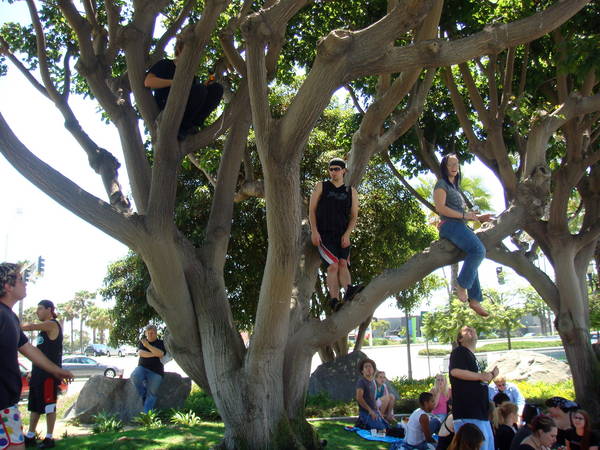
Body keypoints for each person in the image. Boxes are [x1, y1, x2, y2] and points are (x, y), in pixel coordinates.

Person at [0, 263, 73, 450]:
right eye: (20, 279)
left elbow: (28, 348)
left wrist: (57, 371)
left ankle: (45, 437)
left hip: (8, 404)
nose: (25, 283)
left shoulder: (11, 317)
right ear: (8, 286)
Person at [433, 154, 494, 317]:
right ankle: (461, 285)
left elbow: (463, 214)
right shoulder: (441, 184)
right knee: (478, 251)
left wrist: (479, 218)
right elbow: (441, 208)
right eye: (450, 164)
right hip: (449, 226)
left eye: (456, 164)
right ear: (444, 167)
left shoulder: (455, 187)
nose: (454, 167)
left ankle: (474, 299)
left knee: (472, 259)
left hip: (460, 225)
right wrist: (464, 216)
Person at [144, 36, 224, 140]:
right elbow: (148, 82)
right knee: (200, 89)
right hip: (168, 106)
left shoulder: (191, 75)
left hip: (187, 111)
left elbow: (196, 94)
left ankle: (193, 125)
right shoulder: (166, 64)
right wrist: (175, 82)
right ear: (179, 49)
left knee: (217, 89)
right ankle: (183, 127)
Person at [309, 158, 361, 313]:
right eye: (331, 169)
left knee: (343, 264)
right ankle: (334, 300)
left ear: (344, 171)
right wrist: (314, 231)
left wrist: (347, 234)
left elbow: (354, 216)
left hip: (342, 235)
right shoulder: (321, 186)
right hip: (325, 235)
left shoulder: (350, 191)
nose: (333, 172)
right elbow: (311, 210)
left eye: (337, 169)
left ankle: (349, 291)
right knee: (333, 265)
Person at [21, 300, 63, 449]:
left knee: (49, 406)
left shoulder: (52, 324)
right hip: (38, 374)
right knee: (34, 406)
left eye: (40, 308)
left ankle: (49, 438)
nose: (37, 311)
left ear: (49, 309)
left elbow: (31, 326)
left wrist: (12, 325)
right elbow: (39, 354)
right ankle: (30, 436)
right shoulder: (43, 331)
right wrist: (33, 371)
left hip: (49, 375)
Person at [449, 326, 498, 450]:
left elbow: (478, 383)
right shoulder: (459, 352)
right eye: (466, 330)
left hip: (480, 414)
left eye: (472, 329)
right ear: (460, 339)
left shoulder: (471, 356)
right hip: (468, 413)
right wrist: (481, 376)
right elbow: (455, 371)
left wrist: (491, 375)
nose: (471, 330)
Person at [130, 325, 166, 413]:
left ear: (156, 333)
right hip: (142, 368)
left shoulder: (161, 343)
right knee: (134, 376)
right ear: (146, 333)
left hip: (156, 371)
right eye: (148, 333)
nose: (150, 335)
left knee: (152, 394)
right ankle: (143, 394)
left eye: (152, 333)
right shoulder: (142, 342)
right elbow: (141, 353)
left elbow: (161, 354)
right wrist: (155, 353)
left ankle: (147, 416)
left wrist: (148, 346)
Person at [355, 358, 387, 431]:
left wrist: (379, 412)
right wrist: (370, 411)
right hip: (366, 412)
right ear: (362, 371)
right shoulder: (361, 382)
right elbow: (359, 398)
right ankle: (361, 422)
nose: (368, 368)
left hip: (374, 411)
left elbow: (373, 399)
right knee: (381, 429)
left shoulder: (373, 382)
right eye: (366, 367)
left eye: (370, 366)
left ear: (373, 370)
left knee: (386, 426)